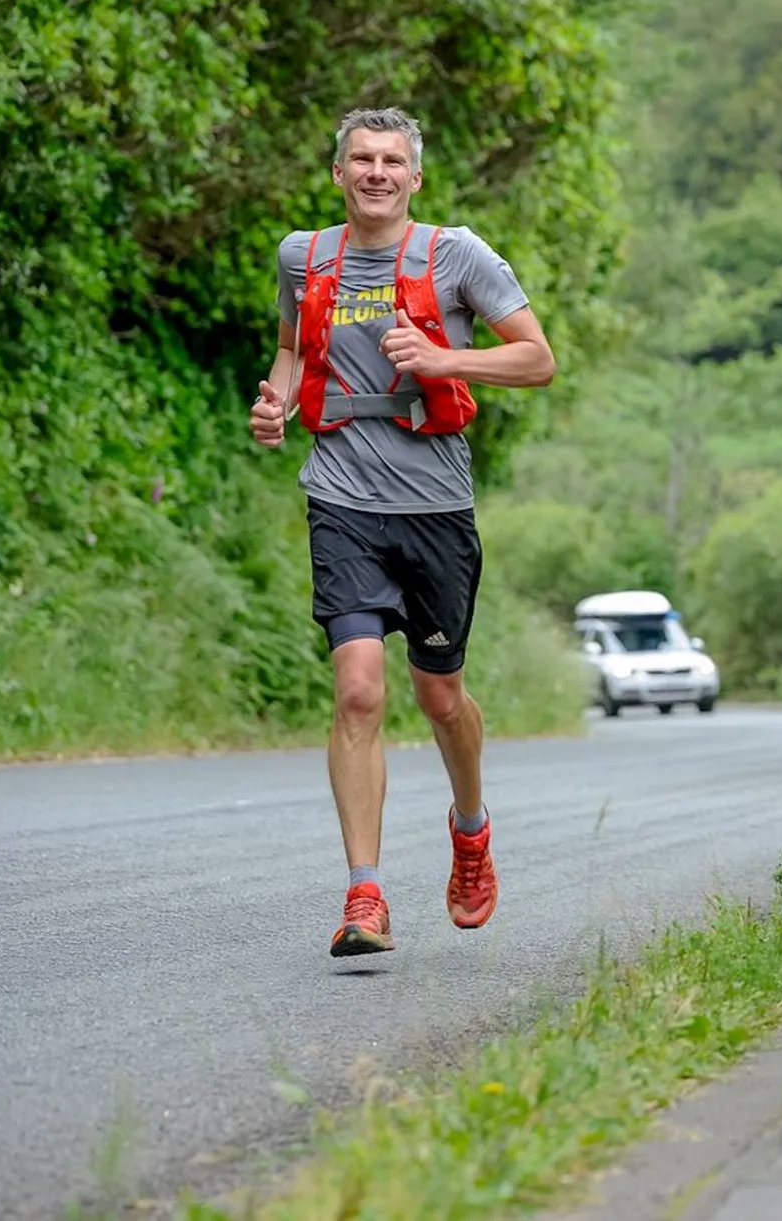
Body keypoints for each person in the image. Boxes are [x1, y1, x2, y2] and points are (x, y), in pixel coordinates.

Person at [249, 107, 556, 957]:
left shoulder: (455, 255)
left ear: (414, 177)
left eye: (393, 161)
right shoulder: (303, 257)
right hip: (341, 496)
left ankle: (470, 829)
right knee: (358, 690)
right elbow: (288, 347)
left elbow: (537, 358)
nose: (377, 172)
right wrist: (274, 402)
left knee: (439, 695)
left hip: (435, 508)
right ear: (338, 173)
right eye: (362, 159)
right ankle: (365, 895)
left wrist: (444, 358)